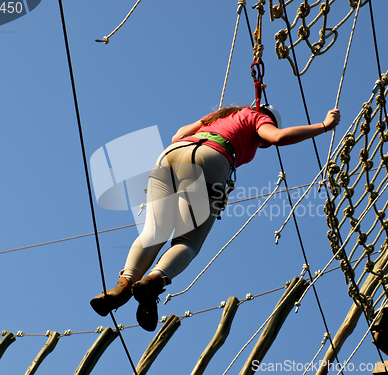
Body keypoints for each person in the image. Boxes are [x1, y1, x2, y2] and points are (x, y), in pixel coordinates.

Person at [90, 104, 341, 331]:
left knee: (154, 230)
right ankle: (152, 282)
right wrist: (324, 126)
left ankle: (122, 286)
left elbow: (178, 134)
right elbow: (277, 138)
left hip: (171, 154)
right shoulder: (256, 119)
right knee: (188, 242)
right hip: (210, 159)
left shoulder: (221, 116)